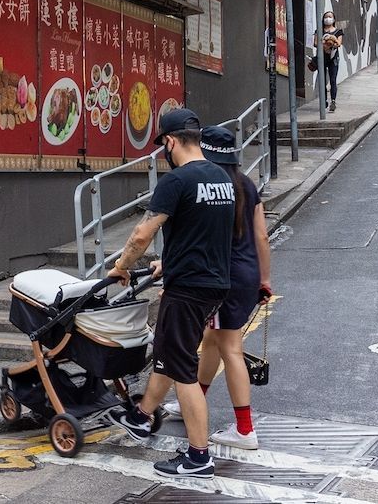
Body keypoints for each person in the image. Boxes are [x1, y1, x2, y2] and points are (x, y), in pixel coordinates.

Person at [104, 107, 239, 480]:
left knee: (182, 369)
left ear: (170, 141)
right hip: (213, 282)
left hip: (189, 288)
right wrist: (171, 260)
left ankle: (199, 457)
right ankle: (142, 416)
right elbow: (205, 230)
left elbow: (141, 234)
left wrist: (122, 267)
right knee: (168, 351)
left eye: (163, 144)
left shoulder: (177, 180)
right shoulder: (221, 177)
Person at [194, 125, 274, 452]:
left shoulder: (211, 187)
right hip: (247, 273)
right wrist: (265, 279)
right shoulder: (246, 184)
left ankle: (245, 430)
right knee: (212, 340)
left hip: (223, 277)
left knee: (230, 348)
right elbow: (262, 237)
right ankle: (193, 399)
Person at [315, 14, 343, 112]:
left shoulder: (338, 31)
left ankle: (333, 101)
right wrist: (324, 43)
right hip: (322, 58)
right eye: (326, 17)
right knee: (322, 80)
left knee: (333, 79)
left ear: (334, 19)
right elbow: (315, 43)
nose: (328, 19)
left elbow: (338, 43)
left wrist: (332, 41)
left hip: (333, 58)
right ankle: (324, 101)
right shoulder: (319, 31)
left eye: (330, 17)